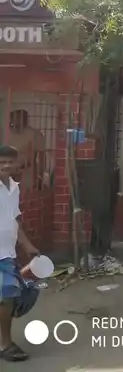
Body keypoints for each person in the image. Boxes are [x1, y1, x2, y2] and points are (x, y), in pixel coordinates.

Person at [0, 144, 40, 362]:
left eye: (9, 162)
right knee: (7, 296)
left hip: (6, 253)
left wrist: (27, 245)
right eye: (1, 162)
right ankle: (5, 345)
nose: (5, 166)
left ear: (16, 164)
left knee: (14, 296)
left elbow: (15, 219)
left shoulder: (13, 187)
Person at [7, 110, 46, 190]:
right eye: (12, 119)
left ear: (24, 120)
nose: (13, 122)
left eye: (16, 119)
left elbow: (41, 156)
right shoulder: (9, 133)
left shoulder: (34, 134)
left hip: (27, 172)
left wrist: (40, 176)